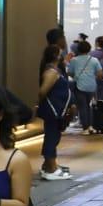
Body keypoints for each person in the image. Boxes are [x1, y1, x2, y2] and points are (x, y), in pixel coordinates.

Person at [35, 44, 77, 180]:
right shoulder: (51, 72)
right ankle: (51, 167)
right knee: (52, 137)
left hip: (57, 109)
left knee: (54, 136)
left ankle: (48, 164)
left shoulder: (55, 70)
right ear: (55, 56)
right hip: (53, 109)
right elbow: (42, 91)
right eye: (60, 53)